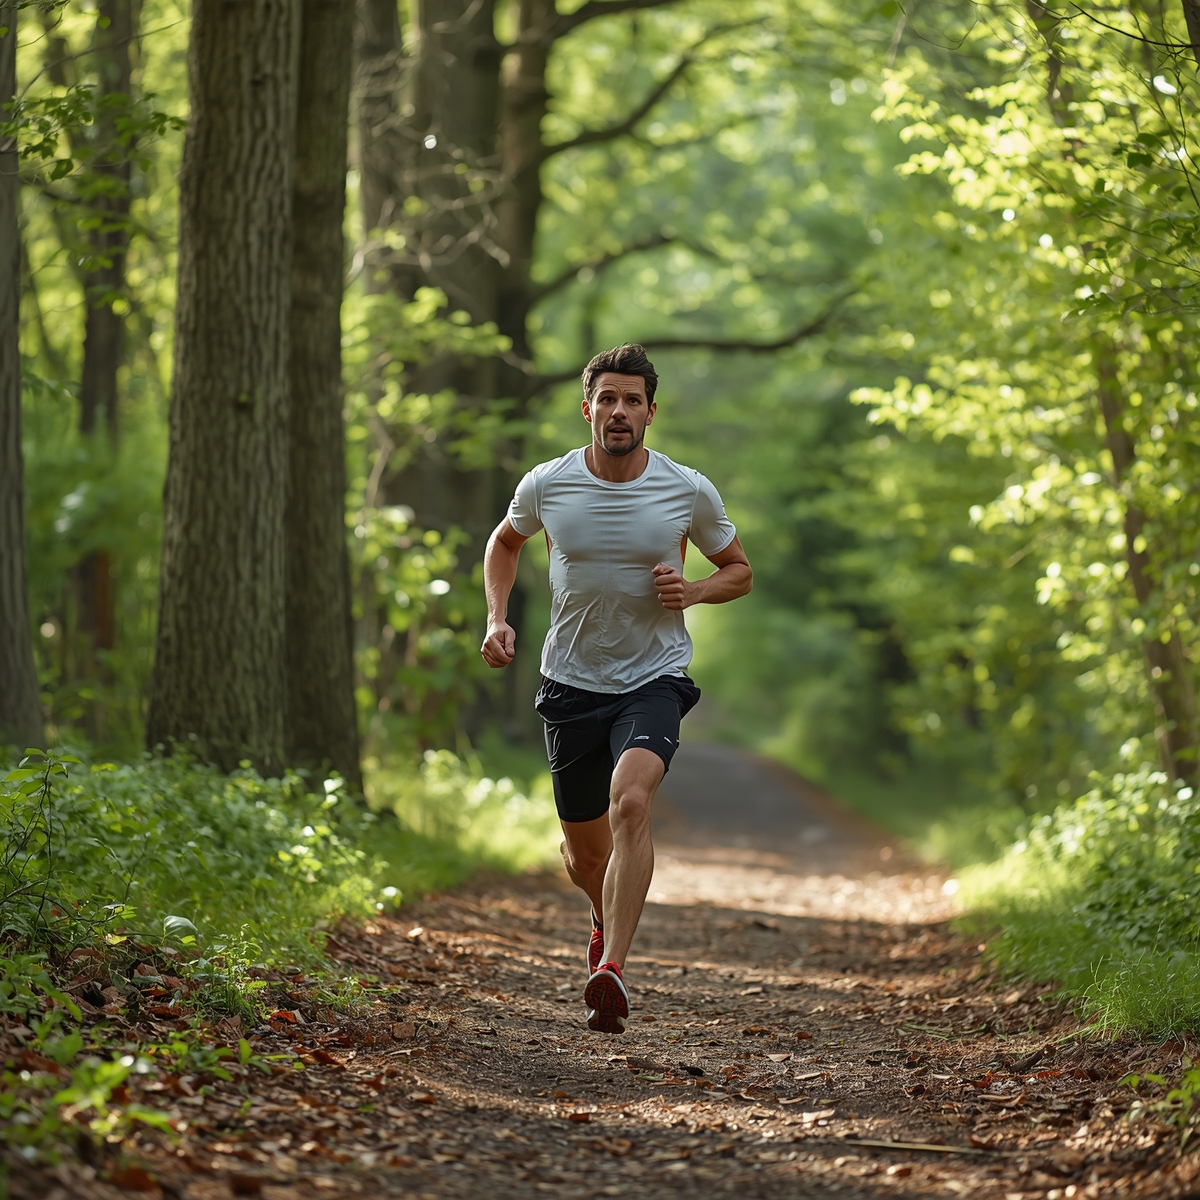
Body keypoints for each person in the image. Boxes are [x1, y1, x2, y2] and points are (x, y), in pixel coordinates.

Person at [480, 344, 752, 1032]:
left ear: (651, 412)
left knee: (630, 802)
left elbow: (739, 570)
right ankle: (601, 914)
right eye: (608, 398)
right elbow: (504, 543)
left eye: (633, 400)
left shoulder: (686, 489)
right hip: (569, 681)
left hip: (652, 678)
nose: (620, 410)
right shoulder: (548, 483)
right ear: (588, 409)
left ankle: (613, 968)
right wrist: (496, 619)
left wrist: (693, 590)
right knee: (585, 856)